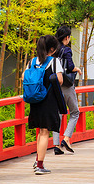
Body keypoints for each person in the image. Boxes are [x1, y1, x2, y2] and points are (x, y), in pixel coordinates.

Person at [26, 34, 66, 175]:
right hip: (48, 100)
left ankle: (38, 160)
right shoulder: (54, 62)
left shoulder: (31, 62)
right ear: (52, 49)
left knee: (40, 132)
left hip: (35, 100)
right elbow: (60, 80)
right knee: (44, 132)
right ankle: (40, 165)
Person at [51, 26, 81, 155]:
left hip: (55, 85)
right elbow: (70, 66)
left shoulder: (52, 50)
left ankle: (56, 145)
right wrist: (78, 70)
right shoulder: (66, 50)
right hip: (66, 85)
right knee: (75, 112)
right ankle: (67, 138)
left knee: (57, 114)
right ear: (66, 37)